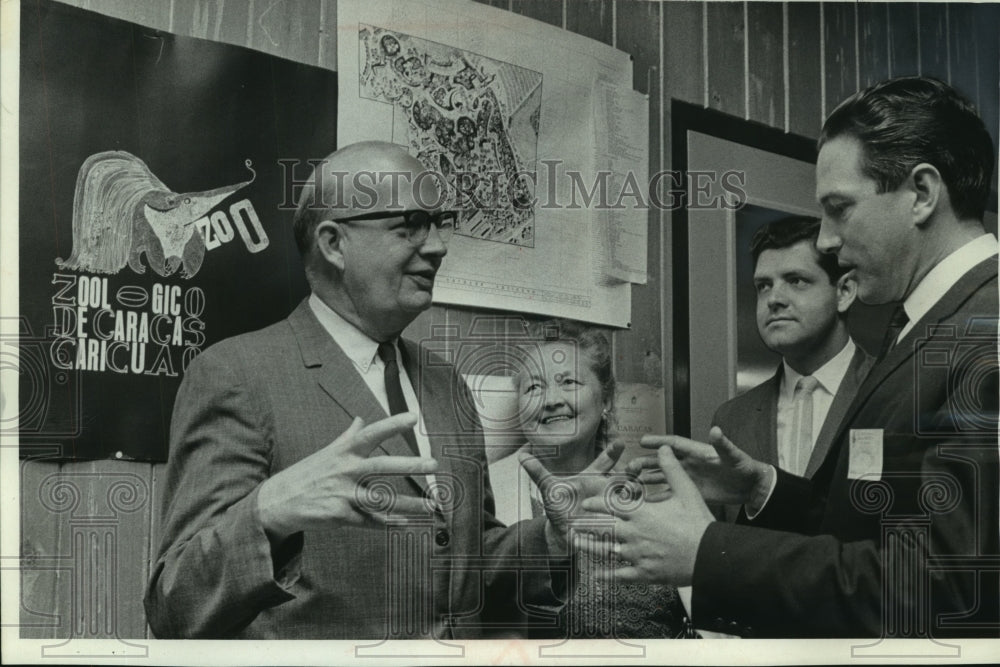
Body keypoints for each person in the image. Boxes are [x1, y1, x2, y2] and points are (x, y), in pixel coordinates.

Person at [572, 76, 998, 638]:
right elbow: (871, 524)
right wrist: (760, 489)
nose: (825, 240)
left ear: (921, 193)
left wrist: (708, 551)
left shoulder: (984, 330)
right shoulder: (923, 321)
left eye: (839, 208)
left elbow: (946, 587)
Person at [143, 141, 621, 639]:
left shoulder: (446, 383)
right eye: (410, 224)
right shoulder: (237, 375)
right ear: (334, 244)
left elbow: (467, 568)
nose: (437, 245)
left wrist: (551, 539)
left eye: (439, 223)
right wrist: (267, 512)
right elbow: (174, 605)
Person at [489, 319, 690, 638]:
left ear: (607, 400)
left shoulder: (653, 492)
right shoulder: (483, 494)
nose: (551, 399)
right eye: (534, 387)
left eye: (568, 382)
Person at [712, 216, 874, 520]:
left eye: (796, 280)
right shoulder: (732, 419)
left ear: (844, 292)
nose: (774, 299)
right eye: (763, 285)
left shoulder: (890, 390)